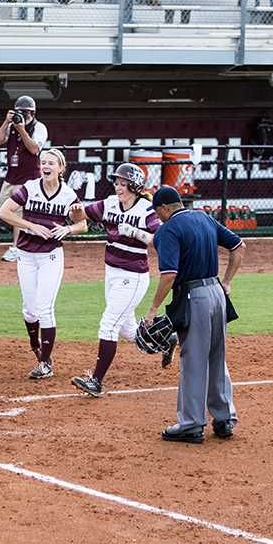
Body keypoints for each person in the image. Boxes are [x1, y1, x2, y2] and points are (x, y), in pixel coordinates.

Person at [144, 185, 244, 443]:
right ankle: (224, 419)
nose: (158, 217)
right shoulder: (203, 217)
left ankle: (191, 424)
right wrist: (227, 282)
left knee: (193, 359)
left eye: (157, 212)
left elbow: (169, 275)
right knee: (216, 356)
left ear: (165, 208)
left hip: (194, 297)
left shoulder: (169, 230)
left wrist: (153, 308)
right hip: (217, 294)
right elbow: (238, 246)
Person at [72, 163, 162, 397]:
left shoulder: (146, 208)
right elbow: (83, 214)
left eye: (123, 184)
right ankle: (165, 340)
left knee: (108, 323)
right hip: (111, 272)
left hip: (133, 275)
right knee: (127, 330)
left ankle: (97, 381)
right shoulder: (110, 203)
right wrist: (75, 209)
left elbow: (159, 238)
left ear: (134, 186)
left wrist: (134, 232)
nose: (118, 187)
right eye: (117, 183)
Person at [0, 148, 85, 380]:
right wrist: (30, 225)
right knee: (29, 310)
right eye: (43, 162)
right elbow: (3, 212)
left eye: (51, 163)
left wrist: (68, 227)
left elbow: (82, 224)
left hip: (50, 256)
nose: (45, 166)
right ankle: (35, 345)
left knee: (45, 309)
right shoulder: (30, 188)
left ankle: (45, 363)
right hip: (26, 255)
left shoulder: (68, 194)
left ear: (60, 168)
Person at [0, 95, 49, 262]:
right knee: (2, 210)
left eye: (26, 113)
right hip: (11, 176)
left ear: (32, 113)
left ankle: (17, 247)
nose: (22, 116)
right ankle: (28, 237)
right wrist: (7, 122)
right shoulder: (11, 125)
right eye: (19, 113)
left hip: (28, 177)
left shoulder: (39, 127)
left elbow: (34, 149)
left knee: (17, 213)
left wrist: (22, 130)